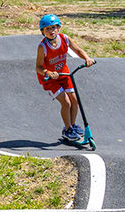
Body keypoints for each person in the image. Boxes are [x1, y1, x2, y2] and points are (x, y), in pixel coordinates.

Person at [35, 14, 95, 142]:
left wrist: (87, 58)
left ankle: (72, 126)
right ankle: (67, 130)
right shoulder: (43, 47)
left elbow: (78, 50)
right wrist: (48, 73)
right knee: (66, 102)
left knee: (74, 100)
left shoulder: (65, 39)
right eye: (47, 29)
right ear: (43, 32)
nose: (51, 31)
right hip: (50, 80)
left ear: (58, 28)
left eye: (53, 27)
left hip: (65, 75)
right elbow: (38, 67)